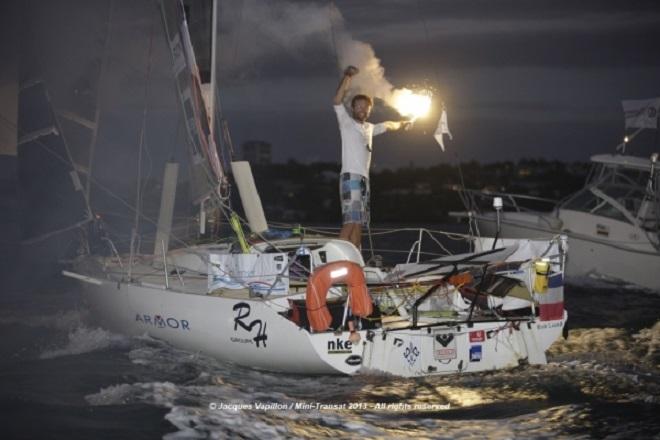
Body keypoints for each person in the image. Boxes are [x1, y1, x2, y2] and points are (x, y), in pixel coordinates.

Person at [334, 66, 410, 248]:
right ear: (352, 108)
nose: (362, 109)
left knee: (359, 224)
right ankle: (336, 259)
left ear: (369, 110)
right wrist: (348, 76)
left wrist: (404, 123)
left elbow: (388, 125)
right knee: (350, 221)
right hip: (350, 176)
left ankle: (357, 263)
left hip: (363, 180)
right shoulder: (346, 123)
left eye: (366, 107)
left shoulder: (369, 128)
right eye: (358, 106)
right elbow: (337, 101)